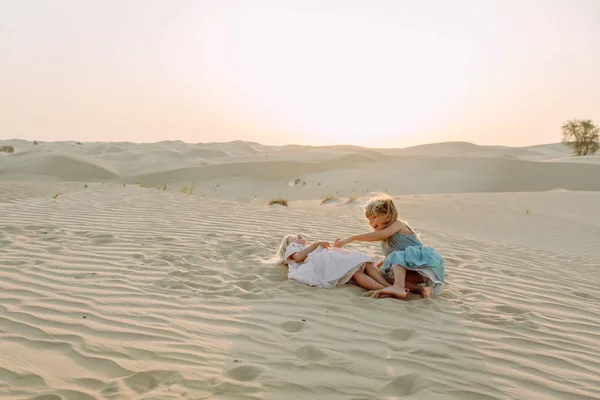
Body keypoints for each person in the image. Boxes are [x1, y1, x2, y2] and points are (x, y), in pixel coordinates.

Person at [334, 194, 444, 299]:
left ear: (388, 215)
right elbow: (390, 257)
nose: (371, 222)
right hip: (412, 271)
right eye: (369, 219)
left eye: (374, 217)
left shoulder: (398, 225)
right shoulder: (387, 239)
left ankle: (398, 287)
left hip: (423, 265)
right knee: (386, 277)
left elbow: (381, 237)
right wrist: (376, 268)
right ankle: (423, 289)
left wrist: (351, 238)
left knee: (396, 256)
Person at [277, 233, 397, 292]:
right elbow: (298, 257)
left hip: (329, 259)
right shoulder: (294, 246)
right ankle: (384, 289)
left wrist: (334, 248)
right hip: (322, 263)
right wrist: (315, 245)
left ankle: (389, 286)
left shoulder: (306, 246)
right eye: (294, 237)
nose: (299, 235)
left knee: (365, 262)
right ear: (289, 244)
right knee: (355, 271)